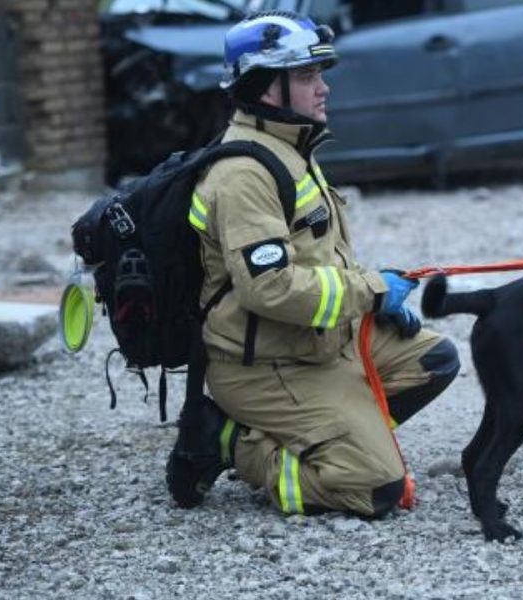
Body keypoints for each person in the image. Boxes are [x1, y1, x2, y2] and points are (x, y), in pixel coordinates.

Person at [165, 11, 460, 518]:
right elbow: (271, 288)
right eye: (306, 76)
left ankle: (337, 431)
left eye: (319, 74)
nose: (323, 88)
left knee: (434, 361)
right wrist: (370, 291)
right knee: (376, 488)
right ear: (265, 87)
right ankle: (231, 442)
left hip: (320, 342)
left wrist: (375, 299)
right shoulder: (244, 174)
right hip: (269, 366)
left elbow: (319, 256)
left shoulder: (289, 146)